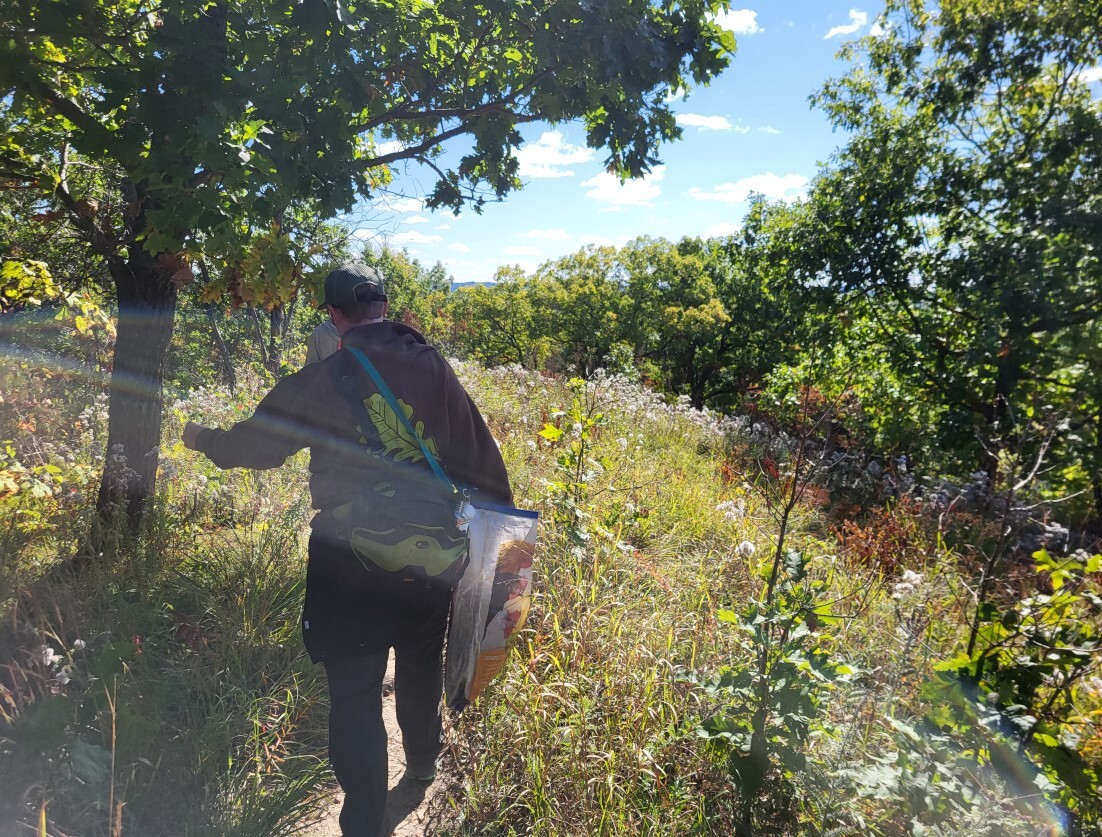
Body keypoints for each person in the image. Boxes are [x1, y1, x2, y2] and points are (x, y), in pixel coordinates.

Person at [182, 263, 512, 837]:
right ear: (384, 307)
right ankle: (423, 766)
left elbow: (253, 448)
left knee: (356, 693)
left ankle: (362, 819)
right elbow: (483, 461)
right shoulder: (435, 368)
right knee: (418, 666)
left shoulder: (329, 376)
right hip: (432, 560)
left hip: (346, 566)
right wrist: (497, 551)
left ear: (335, 316)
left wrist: (200, 438)